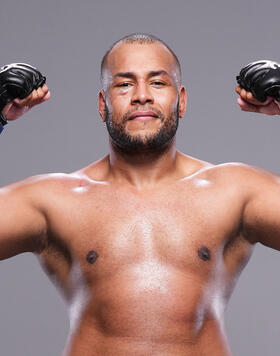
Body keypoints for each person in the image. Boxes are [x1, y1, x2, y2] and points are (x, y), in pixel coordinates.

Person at [1, 33, 280, 356]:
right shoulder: (55, 200)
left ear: (182, 100)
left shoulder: (235, 191)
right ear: (103, 105)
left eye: (158, 83)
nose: (142, 96)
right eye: (124, 85)